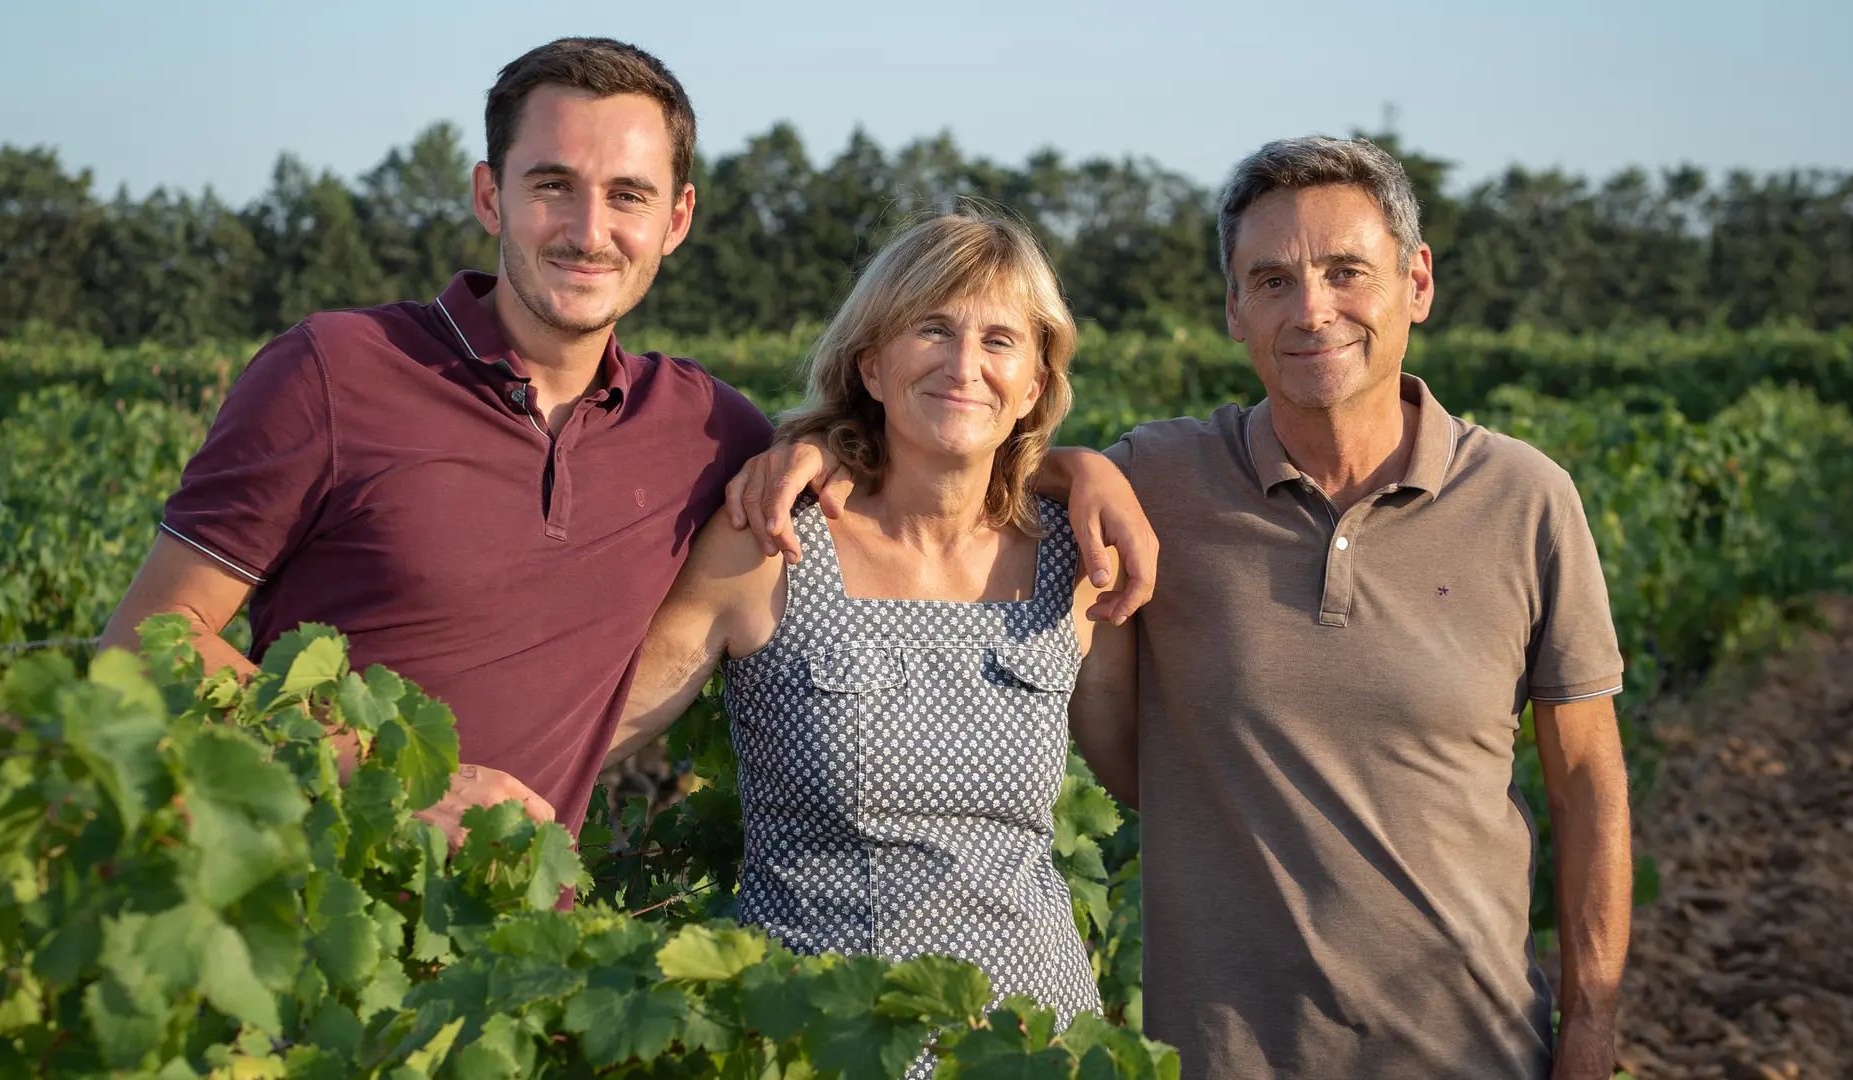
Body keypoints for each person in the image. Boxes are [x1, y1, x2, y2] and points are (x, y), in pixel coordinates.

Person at [98, 37, 1156, 848]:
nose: (588, 228)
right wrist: (385, 771)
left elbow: (928, 446)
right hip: (305, 889)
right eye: (552, 184)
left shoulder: (707, 433)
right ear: (488, 195)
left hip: (521, 939)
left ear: (678, 217)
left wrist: (1073, 466)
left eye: (628, 195)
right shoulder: (333, 370)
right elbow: (145, 650)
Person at [731, 137, 1634, 1080]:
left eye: (1345, 272)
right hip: (1219, 1056)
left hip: (1476, 1051)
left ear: (1416, 283)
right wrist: (835, 452)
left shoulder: (1526, 498)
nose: (1312, 309)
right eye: (1273, 279)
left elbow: (1590, 787)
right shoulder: (1159, 481)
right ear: (1234, 307)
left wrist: (1591, 1027)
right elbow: (961, 454)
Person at [600, 213, 1111, 1065]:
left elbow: (1147, 770)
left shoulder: (1077, 562)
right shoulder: (774, 542)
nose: (964, 364)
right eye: (932, 329)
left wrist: (1094, 469)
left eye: (999, 340)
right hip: (823, 1044)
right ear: (871, 363)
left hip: (1035, 1042)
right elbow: (607, 726)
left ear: (1033, 383)